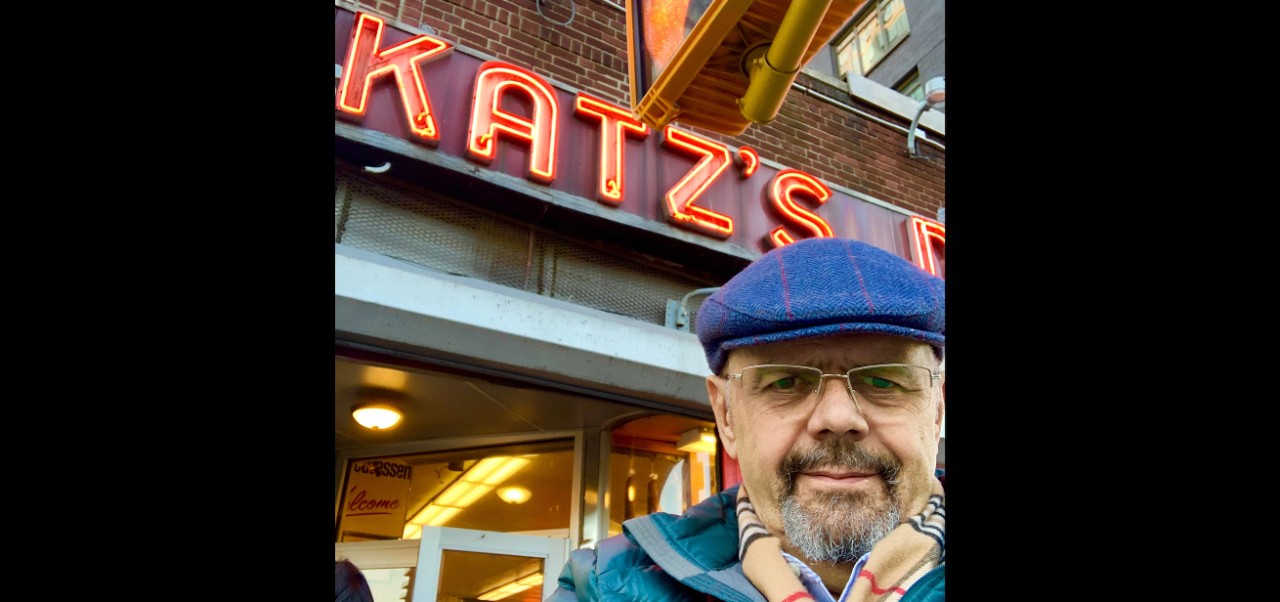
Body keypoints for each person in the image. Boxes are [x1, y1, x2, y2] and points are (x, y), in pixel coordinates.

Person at [549, 236, 945, 601]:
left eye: (884, 380)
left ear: (938, 410)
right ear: (726, 416)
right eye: (785, 382)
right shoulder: (603, 586)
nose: (838, 418)